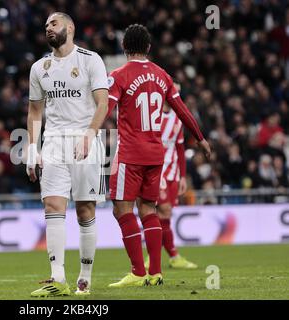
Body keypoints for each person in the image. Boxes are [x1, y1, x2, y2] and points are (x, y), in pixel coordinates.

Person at [106, 24, 211, 288]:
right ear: (149, 48)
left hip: (130, 153)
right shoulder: (162, 75)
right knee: (149, 210)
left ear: (124, 47)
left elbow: (105, 108)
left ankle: (138, 272)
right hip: (156, 154)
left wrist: (86, 133)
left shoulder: (118, 75)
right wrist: (200, 138)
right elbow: (182, 110)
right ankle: (156, 271)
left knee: (122, 209)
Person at [26, 12, 109, 297]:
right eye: (46, 24)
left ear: (69, 28)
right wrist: (31, 147)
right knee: (52, 206)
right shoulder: (39, 67)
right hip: (53, 143)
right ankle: (57, 278)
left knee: (85, 210)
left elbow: (103, 104)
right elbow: (35, 110)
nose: (48, 27)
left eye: (53, 23)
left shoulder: (90, 59)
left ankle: (84, 277)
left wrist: (90, 134)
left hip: (86, 139)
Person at [145, 94, 198, 269]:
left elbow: (180, 149)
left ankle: (158, 258)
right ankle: (172, 255)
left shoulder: (178, 118)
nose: (177, 96)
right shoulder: (154, 116)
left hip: (173, 173)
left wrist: (183, 176)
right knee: (163, 211)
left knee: (164, 216)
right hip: (157, 171)